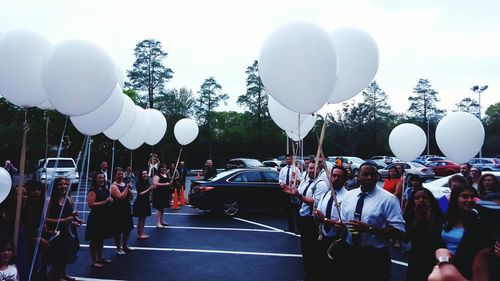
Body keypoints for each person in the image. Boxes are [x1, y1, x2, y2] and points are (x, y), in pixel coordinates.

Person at [338, 161, 405, 281]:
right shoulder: (348, 196)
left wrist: (370, 229)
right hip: (350, 252)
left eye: (373, 175)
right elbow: (344, 222)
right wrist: (340, 227)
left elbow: (399, 231)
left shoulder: (388, 199)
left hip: (375, 257)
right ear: (358, 176)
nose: (369, 177)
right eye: (365, 174)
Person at [283, 162, 329, 281]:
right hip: (303, 218)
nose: (312, 170)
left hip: (312, 221)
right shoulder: (305, 181)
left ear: (319, 170)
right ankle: (308, 272)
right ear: (307, 169)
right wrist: (293, 194)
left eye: (315, 168)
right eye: (310, 167)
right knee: (305, 248)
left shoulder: (321, 184)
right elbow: (299, 201)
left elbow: (317, 203)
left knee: (313, 249)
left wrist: (299, 195)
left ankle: (313, 274)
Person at [313, 166, 348, 280]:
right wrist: (318, 217)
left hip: (338, 242)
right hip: (323, 239)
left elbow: (345, 223)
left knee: (335, 273)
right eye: (334, 175)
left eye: (339, 176)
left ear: (345, 179)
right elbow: (318, 215)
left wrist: (325, 220)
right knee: (322, 270)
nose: (336, 179)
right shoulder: (326, 195)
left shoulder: (348, 197)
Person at [441, 184, 481, 280]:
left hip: (466, 269)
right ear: (455, 198)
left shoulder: (476, 220)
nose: (469, 200)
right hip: (445, 266)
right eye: (465, 196)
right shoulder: (446, 218)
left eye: (472, 197)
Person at [403, 187, 444, 281]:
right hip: (416, 256)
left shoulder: (438, 214)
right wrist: (416, 222)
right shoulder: (410, 215)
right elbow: (405, 239)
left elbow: (439, 238)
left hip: (434, 256)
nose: (421, 200)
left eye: (425, 198)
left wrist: (430, 221)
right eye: (417, 198)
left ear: (430, 200)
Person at [44, 177, 81, 281]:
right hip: (56, 233)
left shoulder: (68, 198)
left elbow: (69, 215)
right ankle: (55, 277)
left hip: (68, 232)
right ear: (55, 187)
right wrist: (63, 220)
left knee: (65, 254)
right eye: (60, 184)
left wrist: (75, 219)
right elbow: (45, 219)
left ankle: (62, 274)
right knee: (57, 257)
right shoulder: (50, 200)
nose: (63, 186)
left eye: (65, 184)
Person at [85, 172, 114, 268]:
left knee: (101, 239)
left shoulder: (105, 188)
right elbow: (91, 205)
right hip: (95, 218)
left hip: (104, 216)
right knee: (94, 240)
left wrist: (109, 201)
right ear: (95, 179)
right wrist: (105, 201)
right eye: (99, 178)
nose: (102, 180)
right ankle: (94, 260)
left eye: (103, 178)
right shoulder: (93, 190)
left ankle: (100, 257)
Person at [110, 168, 134, 255]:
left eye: (121, 174)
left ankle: (125, 245)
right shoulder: (113, 186)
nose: (120, 176)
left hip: (126, 208)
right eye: (118, 174)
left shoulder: (124, 184)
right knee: (118, 230)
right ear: (115, 175)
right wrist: (127, 188)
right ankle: (118, 248)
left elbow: (130, 198)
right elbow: (120, 197)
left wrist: (130, 191)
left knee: (128, 228)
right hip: (117, 209)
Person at [279, 154, 301, 233]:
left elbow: (300, 180)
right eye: (287, 159)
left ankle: (298, 229)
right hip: (286, 192)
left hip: (293, 192)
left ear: (292, 160)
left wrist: (295, 180)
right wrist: (281, 183)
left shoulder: (296, 169)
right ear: (285, 160)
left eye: (290, 159)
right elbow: (280, 179)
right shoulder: (283, 169)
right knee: (288, 211)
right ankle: (290, 227)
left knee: (296, 211)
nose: (288, 160)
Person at [133, 170, 155, 239]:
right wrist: (149, 189)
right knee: (141, 219)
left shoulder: (147, 182)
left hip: (146, 201)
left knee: (143, 219)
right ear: (141, 175)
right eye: (143, 174)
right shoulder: (139, 183)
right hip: (140, 202)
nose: (145, 175)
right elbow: (140, 193)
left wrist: (152, 189)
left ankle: (142, 233)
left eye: (146, 173)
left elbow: (149, 191)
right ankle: (140, 234)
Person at [152, 164, 172, 228]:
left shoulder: (165, 175)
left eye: (165, 167)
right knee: (159, 208)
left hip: (164, 194)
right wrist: (165, 184)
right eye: (162, 167)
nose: (164, 168)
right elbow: (155, 183)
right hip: (158, 194)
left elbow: (168, 183)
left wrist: (169, 182)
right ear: (159, 169)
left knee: (162, 208)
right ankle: (158, 223)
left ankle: (161, 221)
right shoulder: (157, 176)